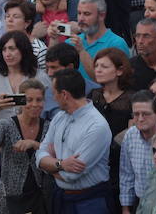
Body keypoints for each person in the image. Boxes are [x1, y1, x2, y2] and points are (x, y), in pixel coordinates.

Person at [36, 68, 112, 213]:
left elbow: (71, 175)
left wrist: (48, 164)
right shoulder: (59, 117)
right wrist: (61, 164)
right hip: (62, 199)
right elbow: (39, 155)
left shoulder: (97, 126)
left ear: (64, 95)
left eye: (54, 93)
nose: (52, 97)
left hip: (90, 203)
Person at [0, 77, 51, 214]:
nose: (34, 104)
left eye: (39, 100)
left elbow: (55, 154)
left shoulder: (49, 126)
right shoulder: (8, 124)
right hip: (10, 198)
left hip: (38, 196)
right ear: (20, 100)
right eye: (29, 100)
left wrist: (34, 144)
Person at [0, 30, 51, 121]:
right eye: (4, 49)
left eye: (12, 49)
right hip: (0, 131)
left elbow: (49, 111)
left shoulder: (40, 77)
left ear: (23, 50)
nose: (7, 54)